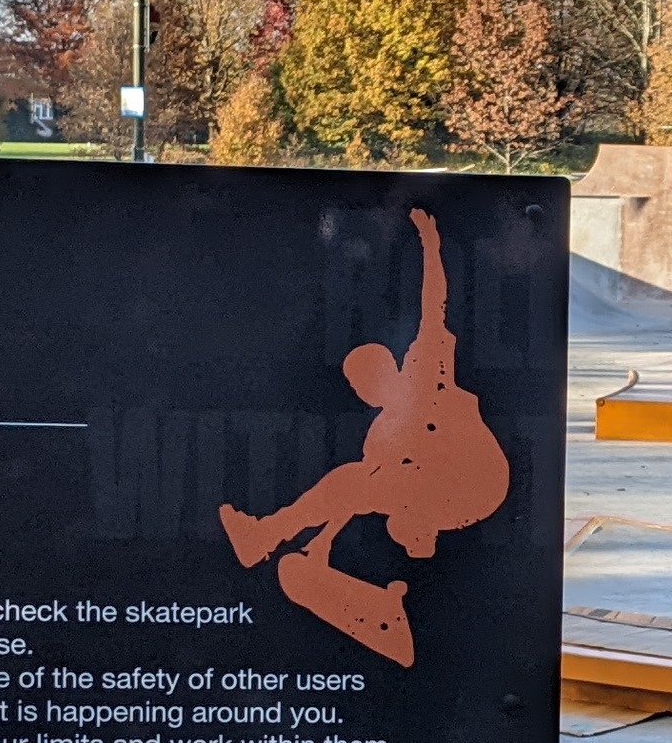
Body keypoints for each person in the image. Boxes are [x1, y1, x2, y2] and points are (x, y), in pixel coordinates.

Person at [216, 209, 510, 666]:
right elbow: (351, 494)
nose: (371, 395)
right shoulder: (382, 436)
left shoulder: (424, 370)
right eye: (363, 391)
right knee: (361, 484)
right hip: (439, 495)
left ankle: (264, 536)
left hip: (476, 479)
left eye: (372, 383)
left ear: (390, 370)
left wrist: (431, 247)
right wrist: (321, 547)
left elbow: (435, 307)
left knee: (362, 484)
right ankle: (380, 606)